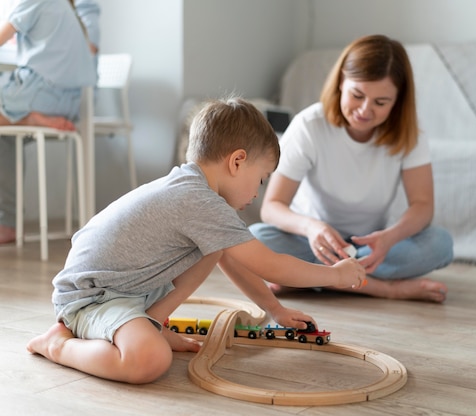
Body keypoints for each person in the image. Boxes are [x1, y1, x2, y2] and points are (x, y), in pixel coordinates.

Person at [27, 97, 366, 384]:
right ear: (237, 161)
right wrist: (335, 275)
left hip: (127, 289)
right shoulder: (198, 200)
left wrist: (275, 309)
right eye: (261, 180)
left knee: (214, 249)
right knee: (148, 360)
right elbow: (270, 264)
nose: (257, 193)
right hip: (93, 297)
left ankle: (151, 323)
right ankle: (59, 345)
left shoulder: (196, 194)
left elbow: (233, 260)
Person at [249, 34, 454, 303]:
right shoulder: (309, 125)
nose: (365, 110)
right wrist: (311, 228)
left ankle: (304, 279)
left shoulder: (409, 134)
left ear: (398, 101)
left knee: (439, 244)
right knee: (255, 239)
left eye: (381, 102)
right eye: (357, 95)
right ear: (341, 83)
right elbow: (272, 207)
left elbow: (423, 205)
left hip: (369, 249)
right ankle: (381, 288)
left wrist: (390, 238)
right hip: (312, 244)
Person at [0, 0, 97, 244]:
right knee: (4, 139)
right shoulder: (67, 9)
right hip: (69, 101)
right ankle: (8, 223)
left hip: (39, 95)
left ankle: (27, 118)